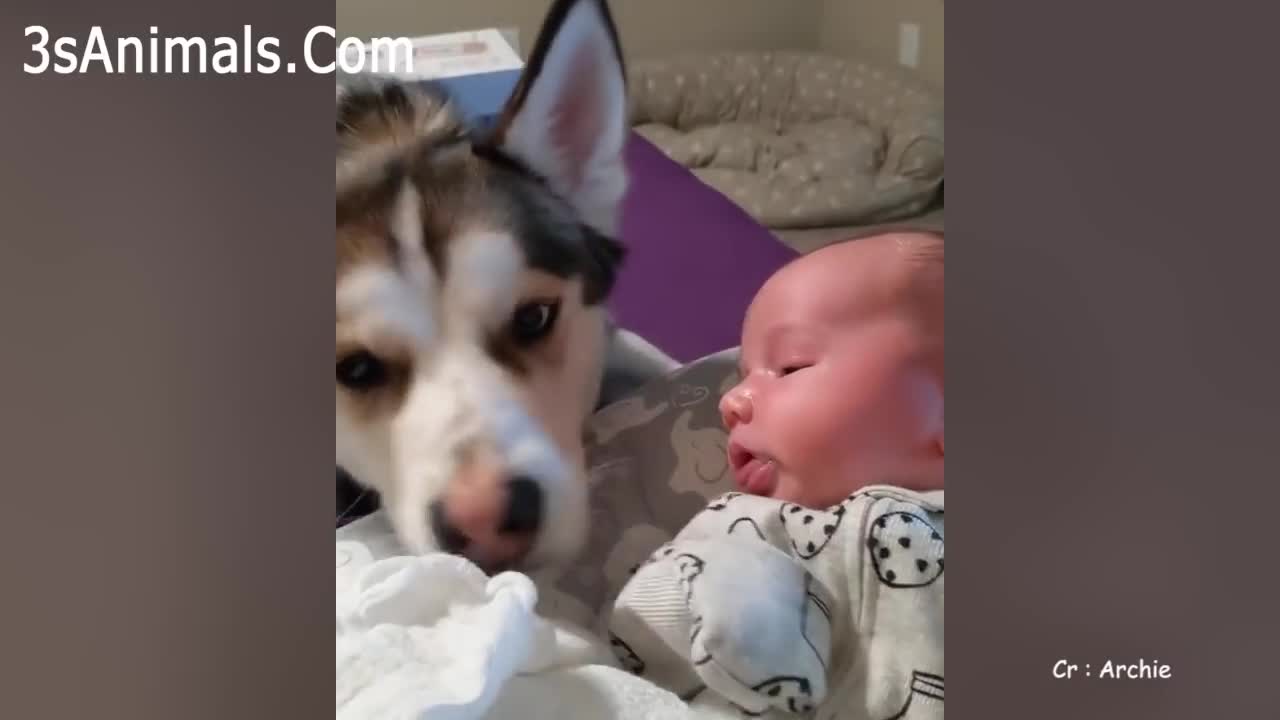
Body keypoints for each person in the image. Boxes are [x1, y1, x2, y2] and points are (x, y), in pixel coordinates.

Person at [608, 232, 945, 719]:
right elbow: (643, 632)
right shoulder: (754, 531)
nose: (730, 402)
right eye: (743, 374)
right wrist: (734, 606)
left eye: (789, 367)